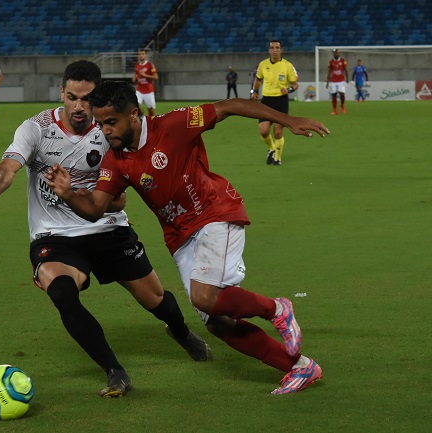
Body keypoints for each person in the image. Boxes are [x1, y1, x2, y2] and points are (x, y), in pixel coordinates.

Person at [47, 80, 330, 395]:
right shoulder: (116, 160)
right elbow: (96, 208)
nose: (105, 131)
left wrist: (288, 120)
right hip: (180, 238)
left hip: (215, 213)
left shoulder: (175, 124)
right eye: (100, 124)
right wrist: (69, 194)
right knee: (217, 323)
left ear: (134, 114)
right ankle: (300, 368)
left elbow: (229, 106)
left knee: (203, 297)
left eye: (111, 122)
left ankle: (277, 309)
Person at [0, 61, 211, 399]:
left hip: (107, 229)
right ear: (62, 93)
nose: (79, 106)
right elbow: (7, 168)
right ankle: (114, 370)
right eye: (72, 97)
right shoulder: (36, 129)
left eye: (86, 98)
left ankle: (180, 332)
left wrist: (75, 195)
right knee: (61, 291)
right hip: (55, 237)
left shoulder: (109, 133)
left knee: (155, 299)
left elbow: (119, 202)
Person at [251, 40, 298, 166]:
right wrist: (254, 91)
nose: (275, 50)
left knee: (278, 131)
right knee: (264, 131)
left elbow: (295, 85)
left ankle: (278, 157)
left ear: (281, 50)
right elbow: (258, 79)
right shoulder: (263, 64)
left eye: (277, 47)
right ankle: (272, 148)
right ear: (269, 50)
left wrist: (288, 90)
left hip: (281, 101)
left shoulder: (288, 66)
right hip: (266, 101)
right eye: (272, 48)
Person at [133, 49, 158, 117]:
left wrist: (145, 75)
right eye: (139, 54)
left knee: (151, 108)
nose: (141, 55)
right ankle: (140, 119)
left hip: (148, 90)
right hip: (139, 90)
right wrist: (134, 77)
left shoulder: (150, 65)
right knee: (135, 106)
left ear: (146, 55)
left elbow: (156, 77)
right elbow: (135, 76)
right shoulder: (137, 65)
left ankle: (151, 121)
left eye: (143, 54)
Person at [326, 49, 349, 115]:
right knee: (334, 95)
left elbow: (346, 70)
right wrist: (327, 82)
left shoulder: (343, 61)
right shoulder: (331, 62)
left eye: (337, 53)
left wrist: (347, 79)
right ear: (333, 54)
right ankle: (335, 110)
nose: (336, 54)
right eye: (335, 53)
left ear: (339, 54)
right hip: (333, 81)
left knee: (342, 93)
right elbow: (329, 72)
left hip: (341, 80)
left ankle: (342, 105)